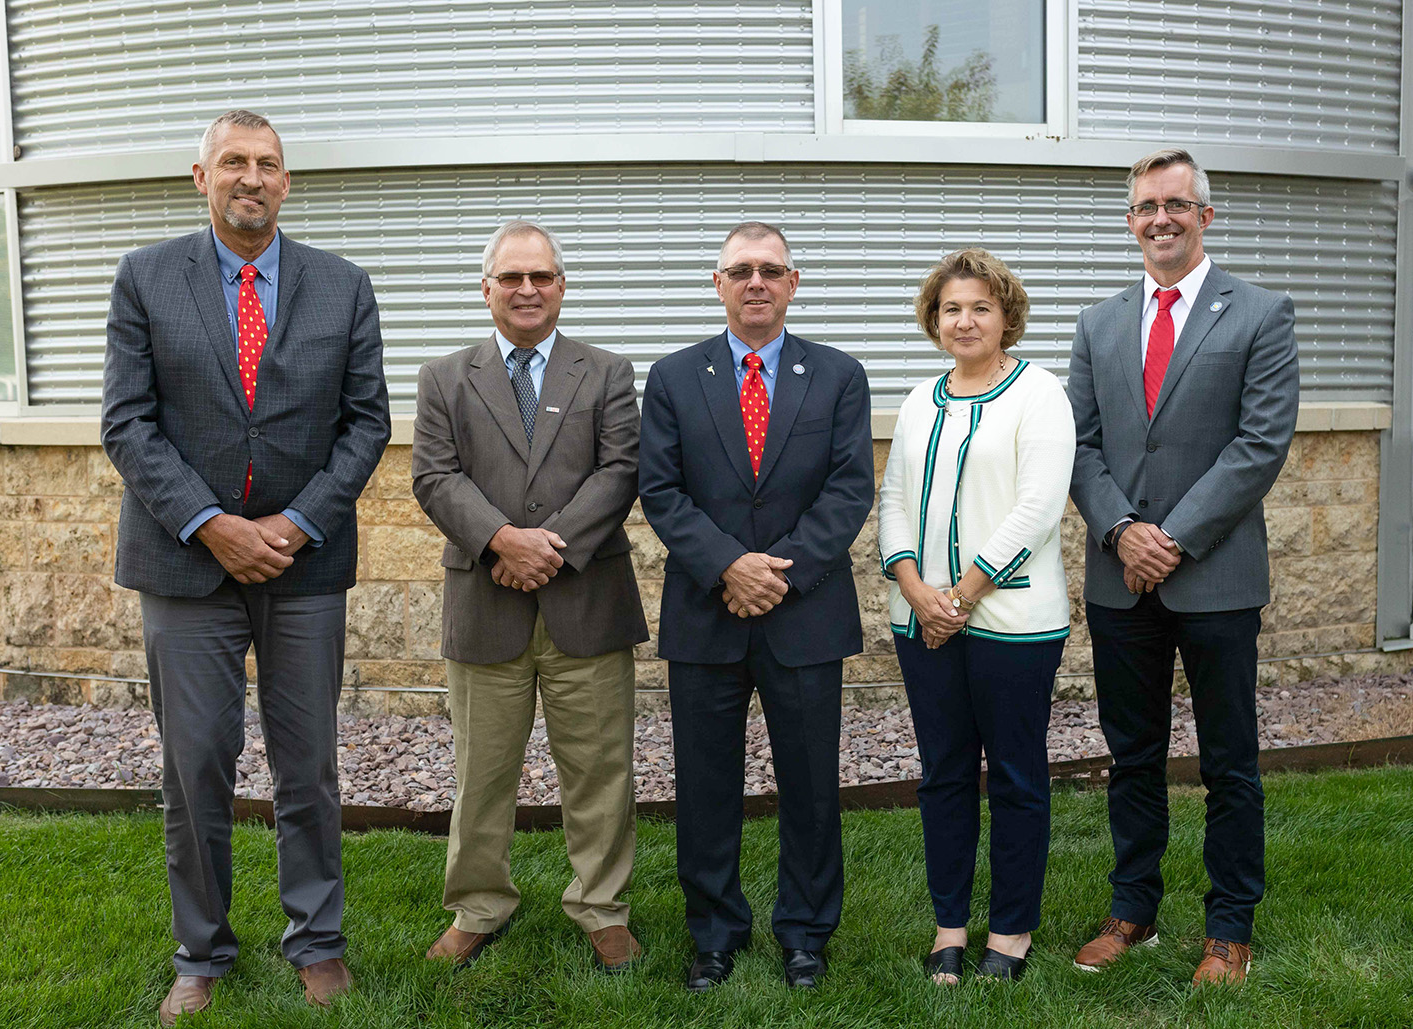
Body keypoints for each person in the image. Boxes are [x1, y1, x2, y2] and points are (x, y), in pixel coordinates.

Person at [101, 110, 391, 1024]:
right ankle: (201, 949)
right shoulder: (145, 278)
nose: (252, 178)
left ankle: (317, 940)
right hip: (184, 564)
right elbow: (128, 422)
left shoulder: (343, 286)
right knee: (196, 765)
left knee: (308, 766)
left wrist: (298, 524)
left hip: (303, 567)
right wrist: (208, 522)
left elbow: (366, 422)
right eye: (234, 162)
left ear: (288, 183)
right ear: (201, 177)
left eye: (268, 164)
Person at [1067, 147, 1299, 985]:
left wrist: (1170, 538)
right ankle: (1133, 908)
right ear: (1130, 222)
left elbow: (1260, 442)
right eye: (1144, 207)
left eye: (1175, 204)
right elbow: (1080, 445)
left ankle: (1229, 925)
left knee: (1228, 759)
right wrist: (1124, 530)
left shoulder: (1262, 313)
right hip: (1118, 577)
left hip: (1216, 576)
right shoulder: (1096, 324)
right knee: (1133, 755)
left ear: (1206, 213)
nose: (1159, 219)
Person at [638, 221, 874, 991]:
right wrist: (727, 567)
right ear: (718, 284)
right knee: (705, 784)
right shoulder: (675, 377)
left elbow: (848, 489)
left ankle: (806, 931)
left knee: (810, 783)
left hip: (804, 612)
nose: (756, 283)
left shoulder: (838, 375)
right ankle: (714, 932)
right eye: (740, 270)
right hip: (706, 611)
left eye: (771, 269)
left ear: (793, 282)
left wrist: (777, 574)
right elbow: (661, 489)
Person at [411, 220, 649, 974]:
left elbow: (619, 471)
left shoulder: (607, 371)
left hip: (588, 599)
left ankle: (602, 906)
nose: (527, 290)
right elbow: (435, 477)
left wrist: (547, 548)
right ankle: (479, 904)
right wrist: (502, 541)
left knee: (601, 769)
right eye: (511, 278)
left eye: (541, 276)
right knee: (481, 772)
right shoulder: (445, 378)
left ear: (561, 286)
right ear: (486, 289)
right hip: (486, 600)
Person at [877, 248, 1075, 983]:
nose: (965, 320)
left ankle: (1013, 931)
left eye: (980, 307)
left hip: (1014, 625)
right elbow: (893, 498)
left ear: (1006, 316)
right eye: (952, 308)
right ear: (935, 318)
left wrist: (958, 596)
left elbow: (1038, 507)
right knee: (944, 774)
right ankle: (949, 926)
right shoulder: (921, 398)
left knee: (1018, 776)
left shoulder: (1040, 393)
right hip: (920, 620)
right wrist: (916, 589)